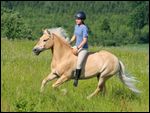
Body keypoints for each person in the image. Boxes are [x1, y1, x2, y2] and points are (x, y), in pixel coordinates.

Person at [70, 11, 88, 87]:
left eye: (78, 19)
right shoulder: (76, 26)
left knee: (79, 63)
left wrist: (78, 47)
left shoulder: (84, 28)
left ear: (82, 20)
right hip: (76, 46)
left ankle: (76, 79)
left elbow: (85, 40)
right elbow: (74, 36)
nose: (76, 20)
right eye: (76, 19)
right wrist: (70, 42)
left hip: (83, 48)